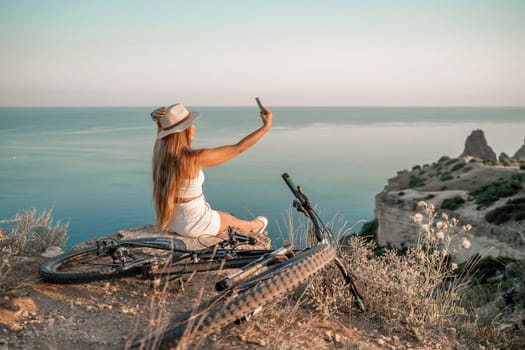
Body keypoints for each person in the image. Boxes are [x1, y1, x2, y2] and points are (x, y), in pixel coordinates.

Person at [150, 102, 272, 238]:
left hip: (171, 221)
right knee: (237, 222)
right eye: (191, 124)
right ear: (183, 131)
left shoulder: (161, 155)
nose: (194, 128)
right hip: (195, 223)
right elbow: (239, 148)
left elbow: (165, 135)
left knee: (227, 217)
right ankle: (256, 226)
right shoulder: (194, 159)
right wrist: (265, 127)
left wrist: (159, 121)